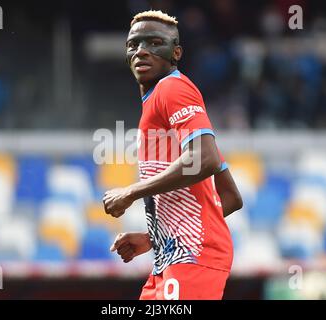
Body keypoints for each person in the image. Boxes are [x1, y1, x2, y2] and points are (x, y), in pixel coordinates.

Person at [103, 10, 243, 300]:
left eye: (154, 43)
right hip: (169, 258)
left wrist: (130, 192)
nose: (141, 51)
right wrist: (151, 238)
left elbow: (205, 159)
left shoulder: (173, 88)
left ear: (175, 52)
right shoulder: (159, 106)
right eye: (133, 45)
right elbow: (230, 196)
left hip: (193, 258)